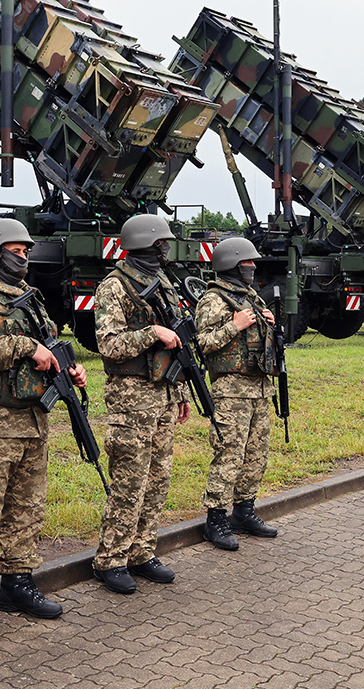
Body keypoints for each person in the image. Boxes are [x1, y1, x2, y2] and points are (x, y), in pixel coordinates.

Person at [0, 218, 86, 644]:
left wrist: (70, 367)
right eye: (16, 251)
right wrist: (27, 347)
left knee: (27, 509)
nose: (23, 258)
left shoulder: (30, 297)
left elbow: (50, 342)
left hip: (32, 421)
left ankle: (17, 582)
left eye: (26, 252)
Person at [92, 214, 189, 594]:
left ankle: (142, 552)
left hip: (163, 396)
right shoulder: (114, 287)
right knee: (129, 482)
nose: (166, 249)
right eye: (161, 243)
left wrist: (180, 394)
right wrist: (151, 333)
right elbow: (109, 345)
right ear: (145, 244)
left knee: (158, 480)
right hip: (132, 401)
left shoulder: (161, 282)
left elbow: (176, 345)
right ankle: (110, 559)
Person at [194, 237, 279, 551]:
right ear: (232, 264)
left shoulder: (250, 296)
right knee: (229, 455)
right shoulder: (213, 299)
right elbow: (202, 343)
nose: (253, 267)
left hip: (258, 388)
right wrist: (235, 325)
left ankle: (244, 512)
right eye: (248, 262)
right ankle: (215, 520)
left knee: (256, 455)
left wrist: (268, 324)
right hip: (231, 392)